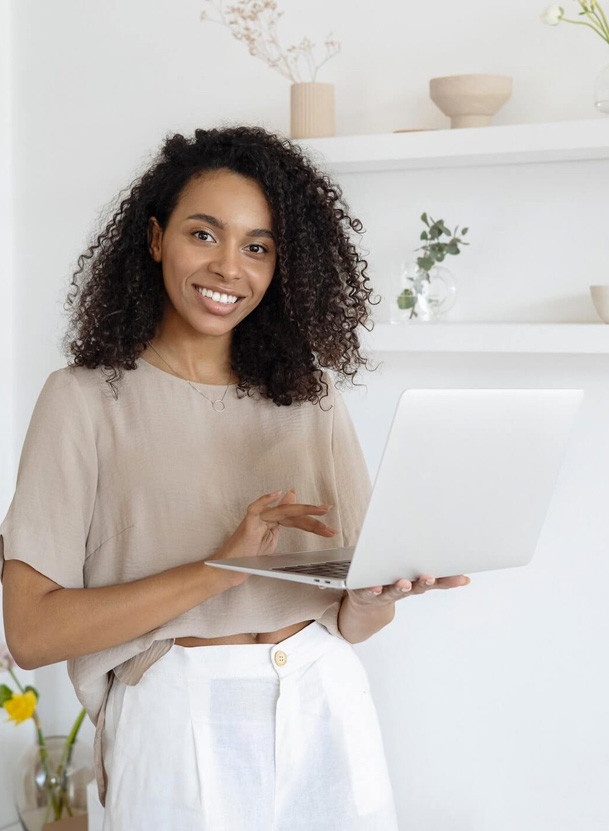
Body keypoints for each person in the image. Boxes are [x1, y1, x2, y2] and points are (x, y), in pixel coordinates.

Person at [1, 126, 468, 830]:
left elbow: (352, 616)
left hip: (324, 698)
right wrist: (221, 567)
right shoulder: (84, 399)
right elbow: (30, 631)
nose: (228, 268)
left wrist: (382, 590)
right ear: (155, 239)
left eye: (257, 246)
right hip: (175, 718)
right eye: (203, 234)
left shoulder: (307, 398)